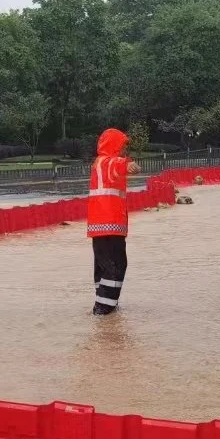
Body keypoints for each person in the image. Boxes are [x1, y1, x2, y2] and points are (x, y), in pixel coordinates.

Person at [87, 128, 139, 315]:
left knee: (105, 266)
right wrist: (128, 164)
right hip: (108, 226)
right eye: (122, 146)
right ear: (114, 145)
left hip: (104, 227)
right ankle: (103, 308)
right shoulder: (105, 162)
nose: (124, 150)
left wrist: (126, 164)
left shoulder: (100, 164)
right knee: (115, 265)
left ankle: (104, 304)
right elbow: (116, 164)